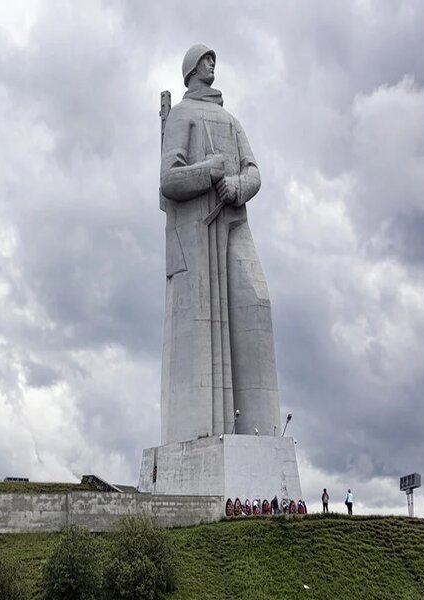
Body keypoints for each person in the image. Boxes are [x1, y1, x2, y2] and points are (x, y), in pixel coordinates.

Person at [159, 44, 281, 443]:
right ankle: (202, 432)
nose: (213, 64)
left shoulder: (230, 121)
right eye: (206, 59)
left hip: (234, 220)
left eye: (214, 59)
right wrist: (208, 170)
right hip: (197, 231)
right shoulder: (181, 116)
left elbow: (255, 171)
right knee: (201, 324)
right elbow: (169, 180)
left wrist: (237, 186)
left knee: (256, 300)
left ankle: (262, 435)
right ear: (192, 69)